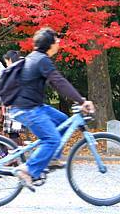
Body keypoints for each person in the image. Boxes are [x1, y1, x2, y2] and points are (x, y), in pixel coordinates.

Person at [8, 28, 94, 187]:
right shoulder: (41, 60)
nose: (59, 42)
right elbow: (59, 82)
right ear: (49, 44)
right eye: (56, 40)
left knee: (62, 120)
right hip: (27, 109)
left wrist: (77, 99)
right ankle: (27, 169)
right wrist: (81, 101)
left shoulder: (36, 58)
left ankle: (52, 157)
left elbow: (57, 83)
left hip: (34, 106)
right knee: (52, 139)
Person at [0, 50, 29, 145]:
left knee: (13, 133)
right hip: (15, 108)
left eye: (6, 62)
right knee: (13, 133)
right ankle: (18, 154)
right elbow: (5, 72)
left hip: (16, 108)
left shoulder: (17, 72)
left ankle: (15, 155)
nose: (7, 64)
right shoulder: (18, 70)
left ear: (9, 60)